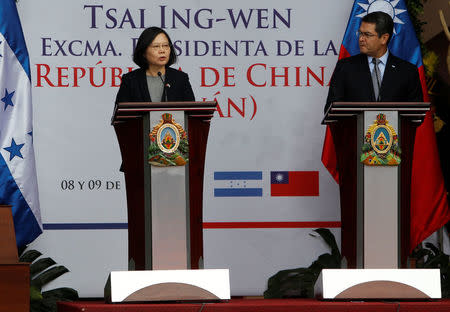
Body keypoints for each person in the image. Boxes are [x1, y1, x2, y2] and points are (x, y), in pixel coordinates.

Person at [325, 11, 423, 113]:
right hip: (355, 128)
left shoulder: (408, 71)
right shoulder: (345, 67)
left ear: (384, 38)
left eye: (367, 35)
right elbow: (331, 109)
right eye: (360, 33)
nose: (361, 39)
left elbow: (417, 113)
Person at [116, 27, 195, 103]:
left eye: (165, 46)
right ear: (143, 52)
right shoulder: (130, 80)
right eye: (156, 46)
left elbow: (192, 113)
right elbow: (120, 115)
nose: (162, 50)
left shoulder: (180, 79)